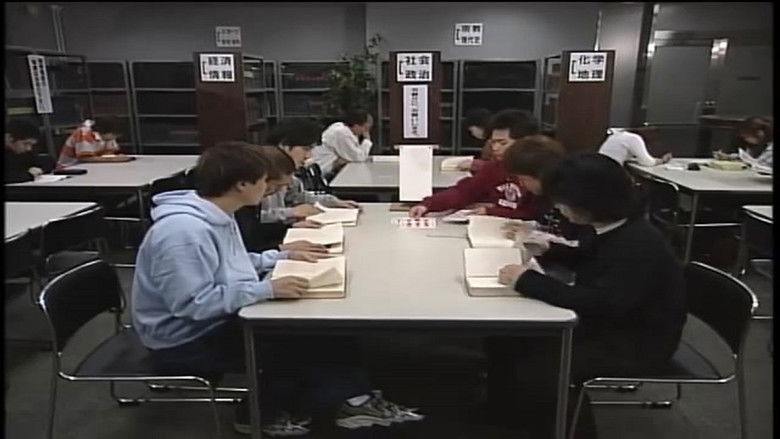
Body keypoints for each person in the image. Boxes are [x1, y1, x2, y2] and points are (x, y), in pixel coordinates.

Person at [132, 142, 421, 436]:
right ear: (242, 184)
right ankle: (259, 416)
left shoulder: (217, 214)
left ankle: (352, 400)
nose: (269, 189)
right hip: (185, 338)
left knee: (321, 328)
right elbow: (193, 305)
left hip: (214, 318)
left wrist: (279, 256)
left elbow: (231, 264)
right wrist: (267, 289)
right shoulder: (183, 232)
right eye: (263, 180)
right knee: (297, 337)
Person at [490, 153, 687, 438]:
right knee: (506, 338)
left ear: (591, 203)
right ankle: (506, 414)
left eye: (563, 203)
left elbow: (601, 303)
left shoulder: (637, 245)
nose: (559, 208)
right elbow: (591, 259)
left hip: (634, 343)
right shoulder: (616, 226)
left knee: (542, 367)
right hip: (616, 322)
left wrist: (527, 281)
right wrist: (551, 251)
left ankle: (566, 429)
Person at [408, 109, 544, 219]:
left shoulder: (541, 170)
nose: (495, 148)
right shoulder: (495, 168)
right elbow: (463, 192)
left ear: (526, 141)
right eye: (493, 142)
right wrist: (427, 205)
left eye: (503, 143)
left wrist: (491, 211)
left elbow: (533, 214)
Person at [262, 119, 361, 229]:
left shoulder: (288, 173)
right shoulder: (260, 174)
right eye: (305, 149)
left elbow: (296, 196)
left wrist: (333, 202)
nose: (308, 156)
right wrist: (292, 213)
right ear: (284, 146)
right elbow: (254, 219)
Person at [309, 108, 373, 179]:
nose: (365, 132)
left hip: (326, 169)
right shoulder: (342, 133)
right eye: (365, 128)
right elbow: (358, 157)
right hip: (320, 170)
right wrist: (367, 140)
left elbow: (351, 156)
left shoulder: (345, 130)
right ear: (356, 125)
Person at [56, 116, 125, 168]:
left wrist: (117, 157)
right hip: (70, 168)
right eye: (114, 135)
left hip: (92, 166)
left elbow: (109, 153)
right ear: (106, 131)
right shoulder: (84, 133)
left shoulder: (107, 137)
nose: (114, 138)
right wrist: (113, 159)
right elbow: (85, 159)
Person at [4, 119, 54, 183]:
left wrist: (39, 170)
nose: (29, 148)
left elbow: (47, 161)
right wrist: (29, 174)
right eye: (26, 143)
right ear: (10, 138)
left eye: (31, 144)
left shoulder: (17, 152)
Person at [598, 128, 672, 167]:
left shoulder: (616, 135)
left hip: (601, 169)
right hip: (611, 173)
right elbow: (647, 162)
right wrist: (663, 161)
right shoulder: (633, 138)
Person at [458, 108, 492, 173]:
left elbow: (496, 166)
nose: (472, 133)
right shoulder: (488, 142)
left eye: (472, 130)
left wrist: (473, 164)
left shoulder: (492, 143)